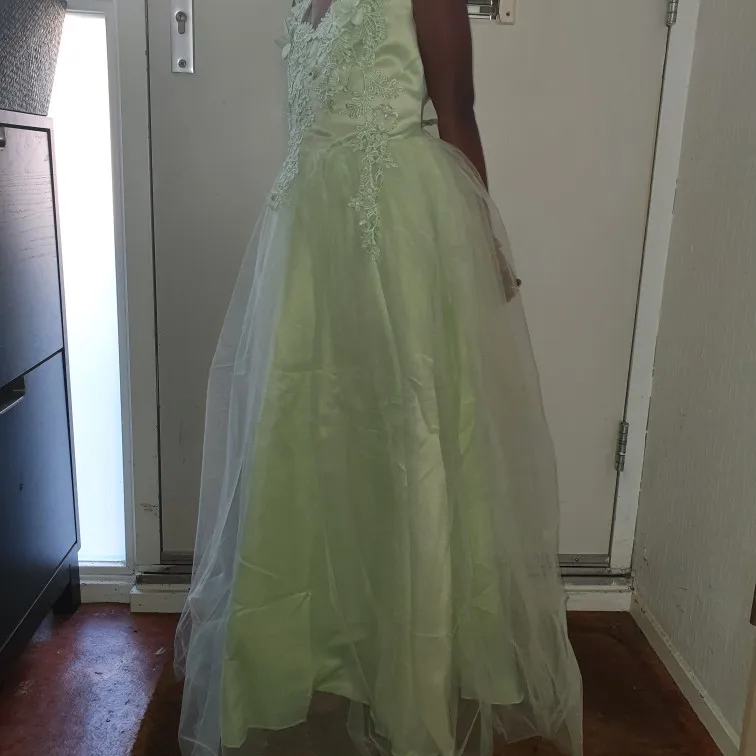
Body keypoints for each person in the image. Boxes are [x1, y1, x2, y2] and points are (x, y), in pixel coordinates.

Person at [174, 0, 583, 754]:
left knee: (403, 446)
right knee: (296, 445)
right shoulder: (303, 4)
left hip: (391, 238)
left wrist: (485, 243)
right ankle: (306, 658)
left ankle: (406, 675)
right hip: (305, 245)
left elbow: (457, 112)